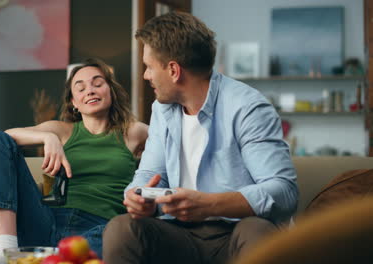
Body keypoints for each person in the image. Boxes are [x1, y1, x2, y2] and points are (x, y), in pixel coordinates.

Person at [102, 12, 298, 264]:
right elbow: (148, 173)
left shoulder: (247, 107)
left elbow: (284, 191)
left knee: (256, 231)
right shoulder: (163, 109)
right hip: (179, 235)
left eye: (149, 66)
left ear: (173, 70)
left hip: (236, 235)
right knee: (121, 227)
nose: (146, 76)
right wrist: (138, 197)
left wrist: (209, 204)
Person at [0, 58, 148, 264]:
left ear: (110, 91)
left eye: (98, 83)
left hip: (99, 227)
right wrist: (47, 137)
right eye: (81, 88)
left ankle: (44, 258)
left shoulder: (133, 132)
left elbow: (172, 145)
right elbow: (4, 139)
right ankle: (6, 252)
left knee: (115, 236)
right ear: (74, 102)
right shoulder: (61, 130)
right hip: (45, 221)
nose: (90, 90)